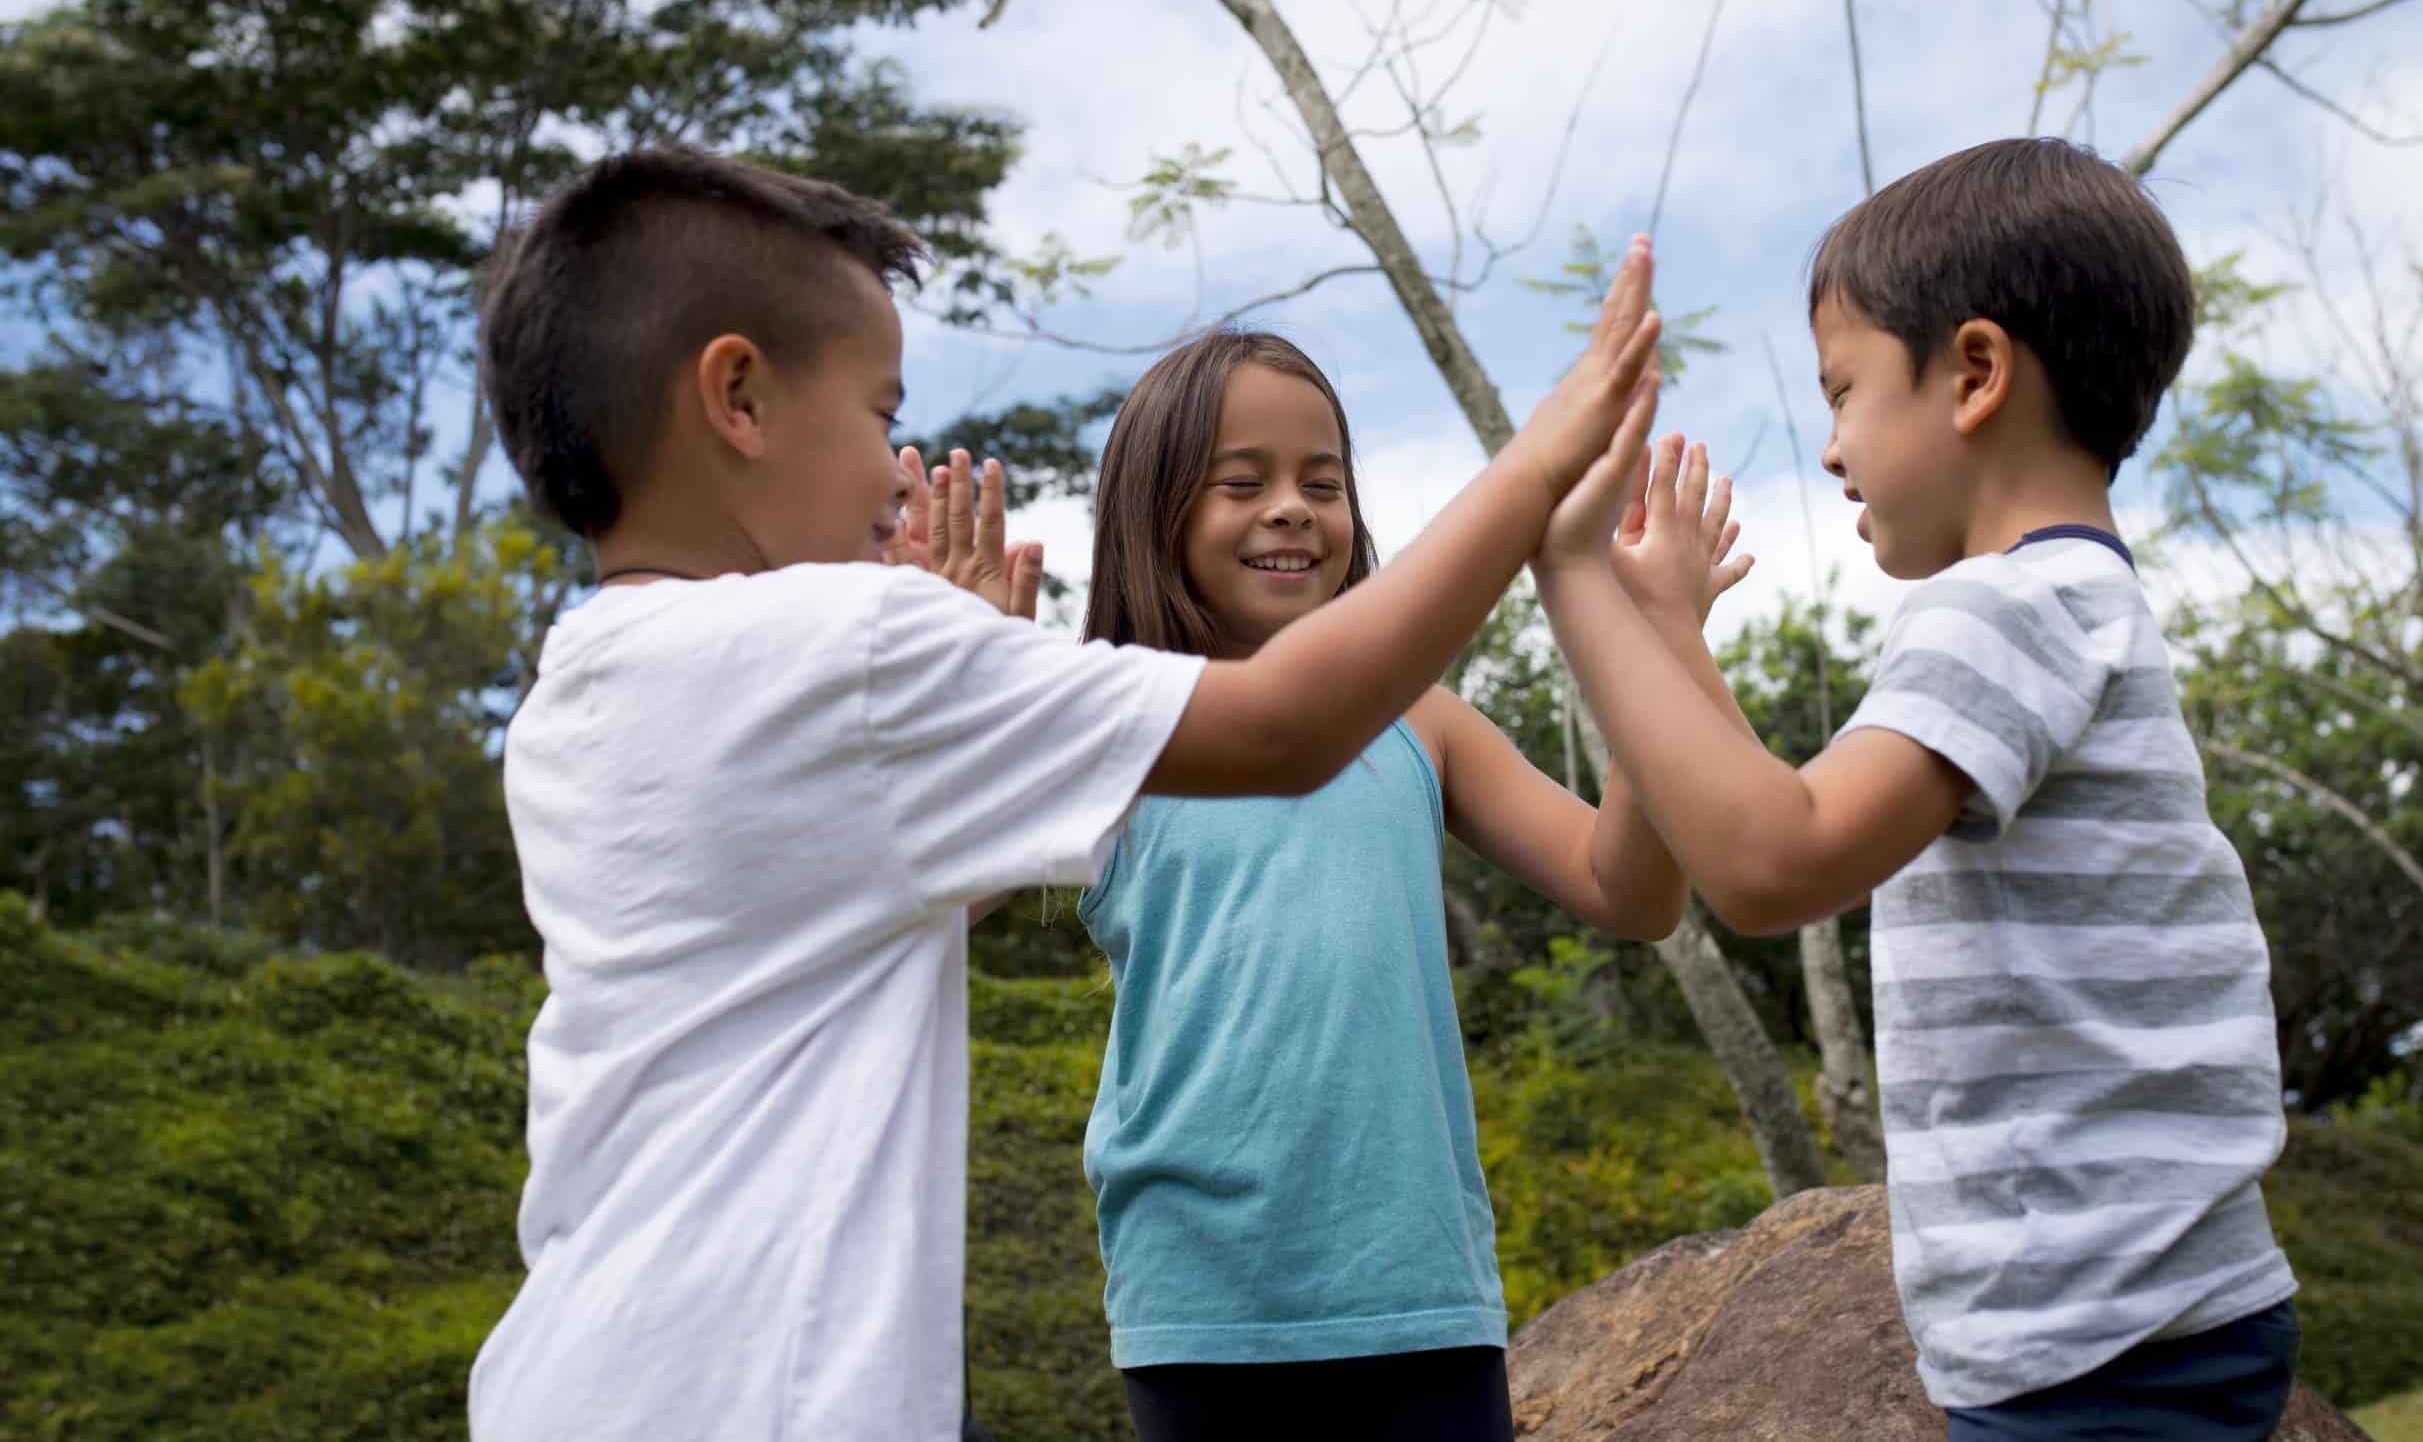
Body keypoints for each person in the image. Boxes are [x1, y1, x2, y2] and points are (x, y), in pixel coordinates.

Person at [462, 146, 1664, 1442]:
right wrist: (1537, 466)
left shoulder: (572, 700)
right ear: (740, 397)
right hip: (774, 1386)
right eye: (879, 415)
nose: (893, 478)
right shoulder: (842, 650)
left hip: (584, 1371)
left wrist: (945, 697)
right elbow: (1282, 725)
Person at [1533, 139, 2300, 1440]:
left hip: (2096, 1342)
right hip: (2135, 1318)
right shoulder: (2068, 602)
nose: (1831, 449)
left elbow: (1774, 862)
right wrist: (1669, 634)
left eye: (1843, 393)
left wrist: (1573, 574)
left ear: (1977, 373)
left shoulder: (2001, 610)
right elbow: (1794, 811)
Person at [1069, 315, 1747, 1442]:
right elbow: (931, 902)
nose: (1291, 507)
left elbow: (1632, 892)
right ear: (1155, 510)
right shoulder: (1106, 722)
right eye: (1241, 482)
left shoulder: (1420, 724)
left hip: (1420, 1294)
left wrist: (1663, 636)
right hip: (1200, 1303)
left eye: (1321, 481)